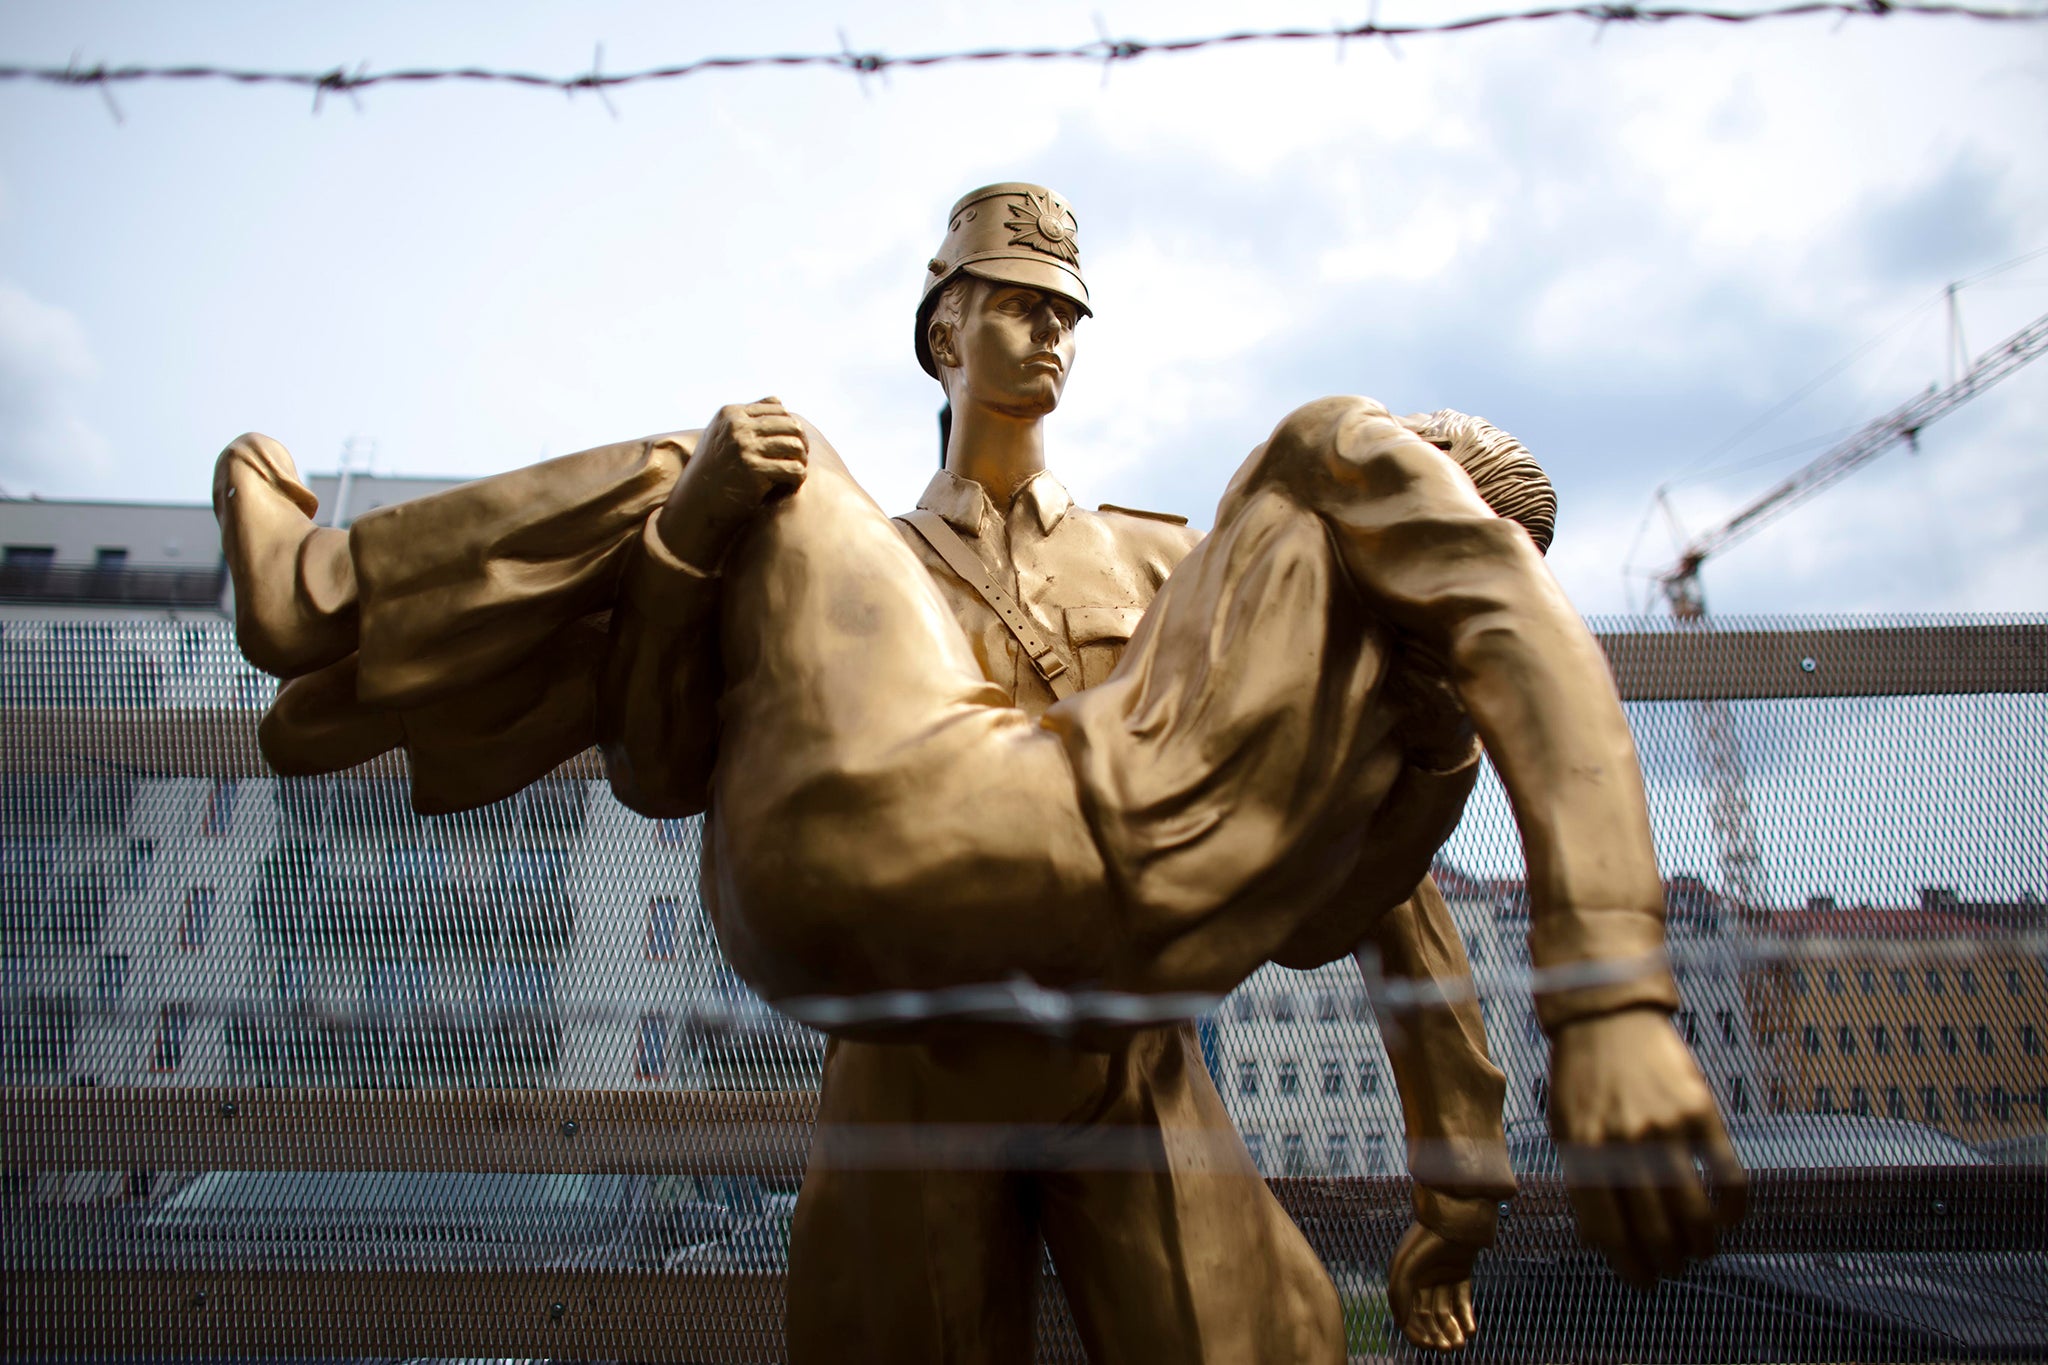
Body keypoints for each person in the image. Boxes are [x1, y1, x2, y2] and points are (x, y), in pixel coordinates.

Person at [215, 183, 1743, 1362]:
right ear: (944, 329)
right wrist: (690, 541)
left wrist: (1457, 1174)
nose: (1053, 334)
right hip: (907, 1069)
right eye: (1017, 303)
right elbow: (662, 765)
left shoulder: (1185, 567)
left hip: (1127, 1066)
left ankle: (333, 591)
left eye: (1071, 312)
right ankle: (340, 595)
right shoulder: (850, 568)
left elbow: (1361, 913)